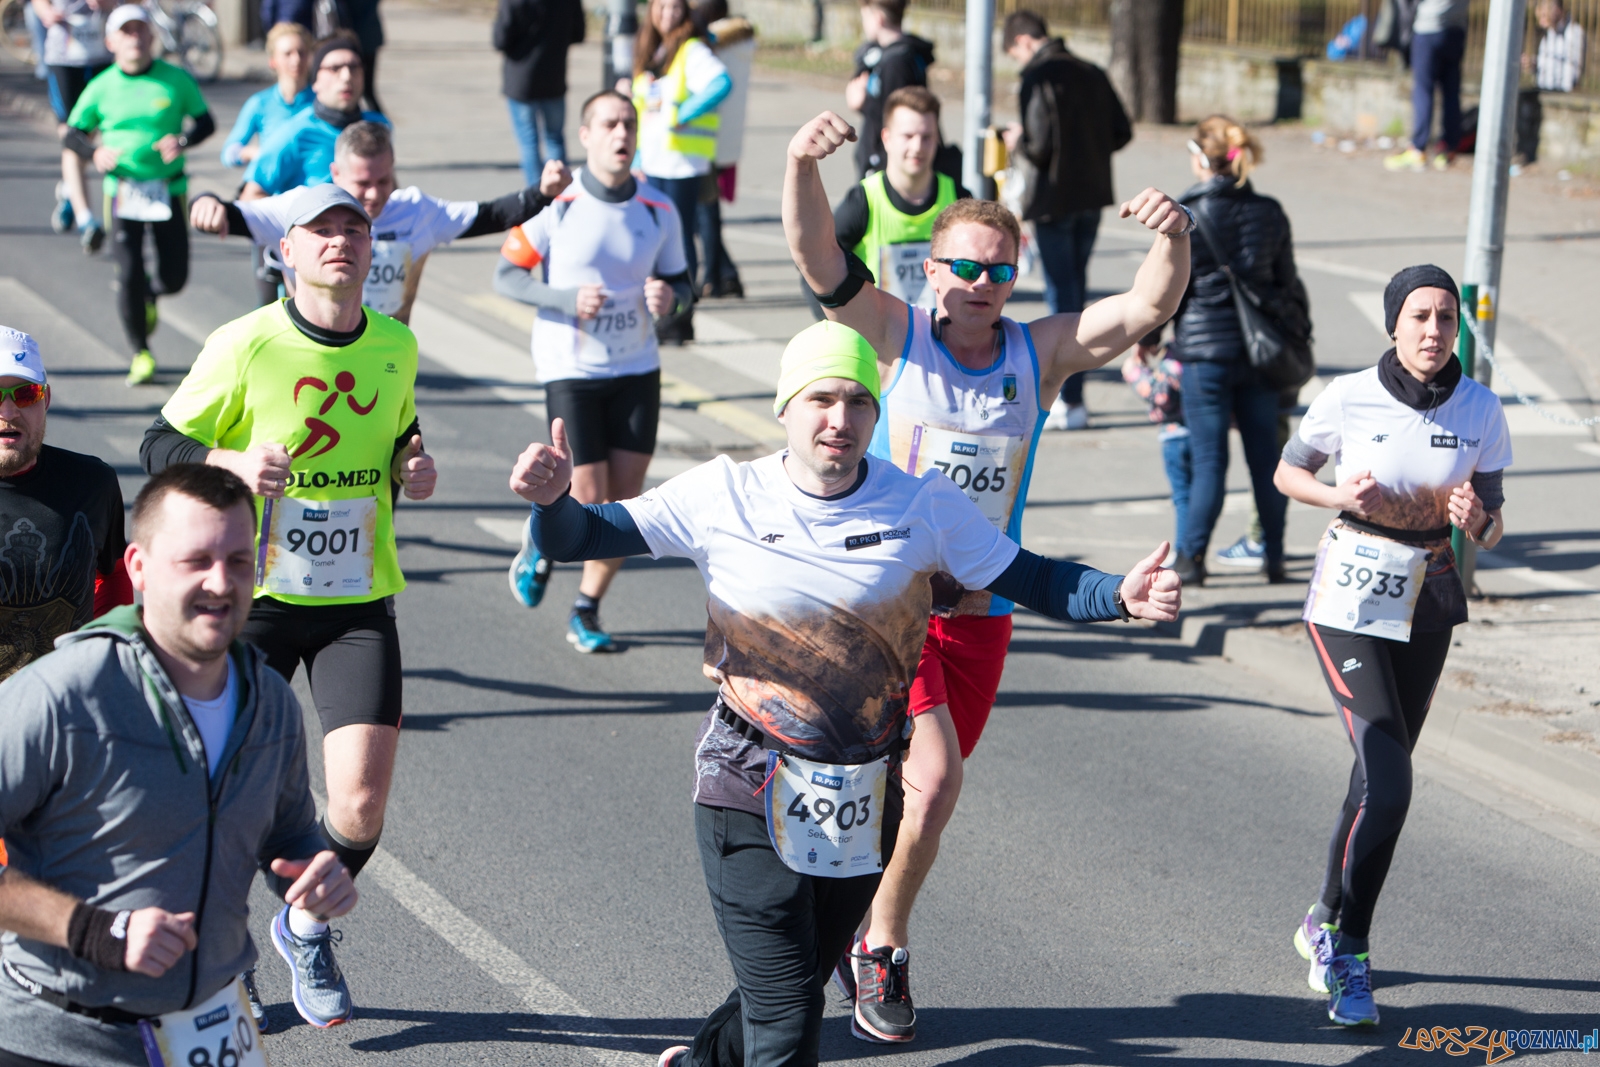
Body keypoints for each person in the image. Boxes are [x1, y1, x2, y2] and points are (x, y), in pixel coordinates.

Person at [507, 321, 1182, 1067]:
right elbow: (580, 537)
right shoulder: (725, 493)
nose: (840, 418)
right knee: (789, 1016)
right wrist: (552, 501)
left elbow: (1032, 576)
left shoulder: (922, 505)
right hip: (746, 780)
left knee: (792, 985)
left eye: (859, 401)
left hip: (862, 798)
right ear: (785, 408)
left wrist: (1118, 594)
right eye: (821, 398)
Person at [784, 110, 1192, 1044]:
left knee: (909, 799)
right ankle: (882, 943)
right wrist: (802, 164)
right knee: (932, 781)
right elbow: (817, 259)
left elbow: (1144, 307)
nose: (980, 284)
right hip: (888, 605)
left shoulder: (1036, 353)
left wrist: (1175, 236)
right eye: (963, 267)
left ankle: (846, 921)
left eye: (998, 271)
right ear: (931, 271)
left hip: (982, 611)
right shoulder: (897, 335)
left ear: (1015, 276)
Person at [139, 184, 437, 1029]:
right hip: (251, 604)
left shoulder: (396, 342)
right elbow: (158, 444)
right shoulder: (246, 342)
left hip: (356, 600)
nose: (341, 240)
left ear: (372, 249)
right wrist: (230, 463)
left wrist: (412, 467)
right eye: (322, 229)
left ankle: (302, 924)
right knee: (224, 795)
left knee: (359, 805)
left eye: (355, 228)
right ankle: (221, 956)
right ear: (286, 251)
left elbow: (399, 437)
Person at [0, 463, 359, 1066]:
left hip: (211, 1035)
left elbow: (287, 835)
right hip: (60, 1037)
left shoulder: (268, 701)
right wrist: (96, 930)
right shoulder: (63, 695)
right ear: (138, 567)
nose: (221, 582)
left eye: (239, 561)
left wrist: (310, 874)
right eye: (196, 560)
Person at [1275, 264, 1511, 1027]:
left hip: (1426, 602)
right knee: (1393, 780)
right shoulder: (1349, 395)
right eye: (1420, 316)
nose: (1434, 330)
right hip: (1348, 599)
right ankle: (1350, 951)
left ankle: (1322, 913)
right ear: (1393, 324)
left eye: (1446, 317)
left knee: (1376, 772)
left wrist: (1477, 521)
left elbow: (1494, 523)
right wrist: (1337, 494)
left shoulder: (1481, 408)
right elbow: (1288, 471)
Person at [495, 90, 693, 652]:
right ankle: (542, 540)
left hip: (637, 365)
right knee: (587, 491)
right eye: (609, 124)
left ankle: (586, 608)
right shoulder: (557, 205)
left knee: (624, 501)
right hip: (571, 367)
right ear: (585, 135)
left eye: (629, 123)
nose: (621, 133)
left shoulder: (659, 208)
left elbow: (683, 284)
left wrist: (670, 300)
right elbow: (506, 276)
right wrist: (564, 299)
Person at [192, 120, 571, 320]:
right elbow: (234, 213)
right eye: (362, 184)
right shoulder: (302, 206)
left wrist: (542, 192)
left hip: (384, 359)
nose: (374, 195)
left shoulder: (415, 210)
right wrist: (206, 201)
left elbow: (489, 215)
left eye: (383, 181)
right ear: (335, 173)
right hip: (309, 352)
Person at [1165, 117, 1299, 588]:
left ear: (1201, 158)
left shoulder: (1186, 214)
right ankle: (1274, 556)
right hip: (1259, 354)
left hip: (1204, 355)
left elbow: (1170, 289)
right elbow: (1286, 282)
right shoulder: (1269, 211)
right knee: (1267, 460)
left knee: (1209, 460)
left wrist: (1148, 342)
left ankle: (1192, 558)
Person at [62, 3, 216, 387]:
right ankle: (140, 351)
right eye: (126, 32)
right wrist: (95, 152)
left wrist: (183, 140)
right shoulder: (101, 86)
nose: (135, 38)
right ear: (111, 42)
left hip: (168, 189)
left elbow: (206, 123)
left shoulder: (175, 79)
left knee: (175, 277)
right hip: (123, 192)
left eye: (141, 30)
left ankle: (150, 291)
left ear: (152, 36)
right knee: (128, 272)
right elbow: (73, 135)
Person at [1002, 10, 1132, 433]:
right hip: (1092, 195)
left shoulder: (1037, 77)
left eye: (1014, 53)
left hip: (1054, 199)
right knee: (1075, 287)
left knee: (1062, 297)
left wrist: (1018, 140)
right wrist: (1089, 148)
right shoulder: (1092, 71)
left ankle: (1069, 398)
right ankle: (1074, 396)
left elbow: (1039, 146)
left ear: (1023, 41)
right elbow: (1122, 131)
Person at [0, 326, 131, 682]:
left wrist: (110, 658)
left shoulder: (92, 483)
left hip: (68, 700)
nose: (9, 410)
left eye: (25, 393)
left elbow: (112, 573)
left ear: (46, 400)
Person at [629, 0, 730, 343]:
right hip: (653, 162)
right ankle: (666, 313)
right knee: (656, 239)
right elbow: (643, 109)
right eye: (662, 6)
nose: (668, 14)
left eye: (675, 7)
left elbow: (721, 83)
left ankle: (681, 317)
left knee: (679, 238)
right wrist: (637, 159)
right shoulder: (653, 49)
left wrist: (682, 114)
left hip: (682, 164)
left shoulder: (692, 49)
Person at [829, 86, 967, 315]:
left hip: (940, 332)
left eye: (927, 137)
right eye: (908, 136)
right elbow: (819, 262)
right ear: (887, 138)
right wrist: (837, 319)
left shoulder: (958, 199)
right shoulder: (863, 201)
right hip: (877, 333)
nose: (917, 147)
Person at [220, 21, 314, 307]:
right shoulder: (260, 103)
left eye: (302, 52)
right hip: (268, 205)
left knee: (305, 298)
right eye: (288, 53)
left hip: (307, 209)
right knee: (268, 299)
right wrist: (257, 154)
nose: (296, 60)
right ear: (273, 60)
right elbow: (229, 152)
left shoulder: (320, 104)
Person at [242, 30, 388, 200]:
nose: (347, 76)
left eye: (354, 67)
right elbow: (250, 196)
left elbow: (389, 188)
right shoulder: (295, 133)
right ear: (315, 80)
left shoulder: (379, 127)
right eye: (335, 68)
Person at [34, 0, 110, 253]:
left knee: (90, 134)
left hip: (102, 55)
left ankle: (69, 188)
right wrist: (46, 11)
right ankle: (87, 221)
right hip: (64, 58)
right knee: (71, 135)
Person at [695, 0, 753, 300]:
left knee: (703, 212)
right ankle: (726, 274)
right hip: (727, 139)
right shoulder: (742, 42)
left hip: (706, 136)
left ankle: (714, 276)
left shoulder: (708, 44)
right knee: (706, 210)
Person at [493, 0, 584, 187]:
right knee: (555, 139)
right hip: (554, 77)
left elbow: (500, 39)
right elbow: (578, 33)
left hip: (521, 80)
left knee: (529, 142)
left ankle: (538, 194)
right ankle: (560, 191)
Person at [846, 0, 934, 179]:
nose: (864, 24)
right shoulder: (899, 53)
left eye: (865, 17)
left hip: (884, 164)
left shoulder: (896, 63)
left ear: (878, 18)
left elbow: (895, 115)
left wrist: (862, 104)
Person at [1121, 332, 1189, 553]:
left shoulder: (1176, 355)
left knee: (1183, 497)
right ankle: (1190, 551)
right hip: (1199, 434)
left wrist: (1134, 372)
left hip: (1176, 437)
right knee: (1194, 496)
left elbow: (1162, 396)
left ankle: (1184, 550)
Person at [1385, 0, 1467, 170]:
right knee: (1451, 92)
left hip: (1428, 27)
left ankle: (1418, 149)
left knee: (1423, 90)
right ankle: (1448, 150)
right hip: (1456, 30)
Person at [1516, 0, 1585, 163]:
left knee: (1526, 102)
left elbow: (1572, 66)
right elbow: (1547, 63)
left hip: (1560, 87)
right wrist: (1533, 64)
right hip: (1545, 84)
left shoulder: (1573, 32)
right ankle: (1523, 149)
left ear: (1557, 10)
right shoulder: (1549, 33)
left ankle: (1527, 152)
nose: (1541, 16)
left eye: (1544, 12)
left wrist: (1567, 88)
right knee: (1521, 96)